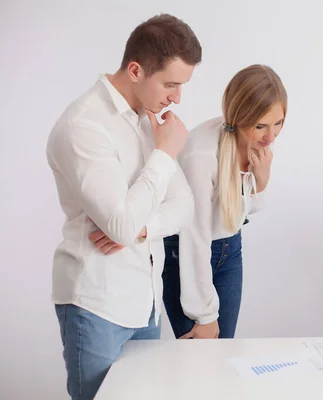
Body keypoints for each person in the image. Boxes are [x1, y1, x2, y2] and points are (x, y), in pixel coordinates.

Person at [46, 14, 201, 400]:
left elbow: (185, 206)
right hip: (97, 305)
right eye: (170, 84)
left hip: (146, 303)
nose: (177, 98)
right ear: (135, 70)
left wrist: (141, 229)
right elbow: (118, 226)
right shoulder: (84, 125)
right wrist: (166, 152)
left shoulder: (150, 122)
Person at [162, 64, 288, 339]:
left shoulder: (257, 143)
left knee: (222, 353)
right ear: (240, 117)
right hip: (186, 252)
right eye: (261, 126)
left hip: (230, 250)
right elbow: (193, 236)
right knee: (201, 358)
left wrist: (261, 179)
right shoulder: (202, 154)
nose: (271, 136)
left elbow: (241, 213)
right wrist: (205, 315)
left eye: (278, 123)